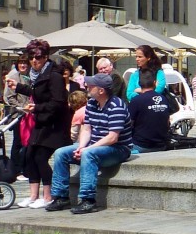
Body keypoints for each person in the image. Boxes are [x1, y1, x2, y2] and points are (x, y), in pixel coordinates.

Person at [46, 72, 132, 215]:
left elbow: (113, 138)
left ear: (101, 90)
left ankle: (88, 200)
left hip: (117, 149)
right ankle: (61, 196)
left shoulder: (116, 106)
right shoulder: (92, 103)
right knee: (60, 153)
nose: (87, 87)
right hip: (95, 145)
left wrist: (88, 149)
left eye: (91, 86)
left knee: (89, 154)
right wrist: (81, 146)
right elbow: (86, 129)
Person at [17, 39, 71, 209]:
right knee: (29, 155)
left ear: (46, 57)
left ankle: (47, 196)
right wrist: (18, 87)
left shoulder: (54, 76)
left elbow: (59, 102)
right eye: (31, 57)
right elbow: (36, 92)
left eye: (38, 57)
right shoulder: (38, 74)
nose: (34, 61)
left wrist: (36, 108)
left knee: (40, 157)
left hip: (55, 124)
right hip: (42, 121)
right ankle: (33, 195)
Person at [126, 69, 176, 154]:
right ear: (155, 82)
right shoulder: (163, 99)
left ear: (139, 84)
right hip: (161, 145)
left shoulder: (136, 100)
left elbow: (128, 124)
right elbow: (167, 122)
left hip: (141, 145)